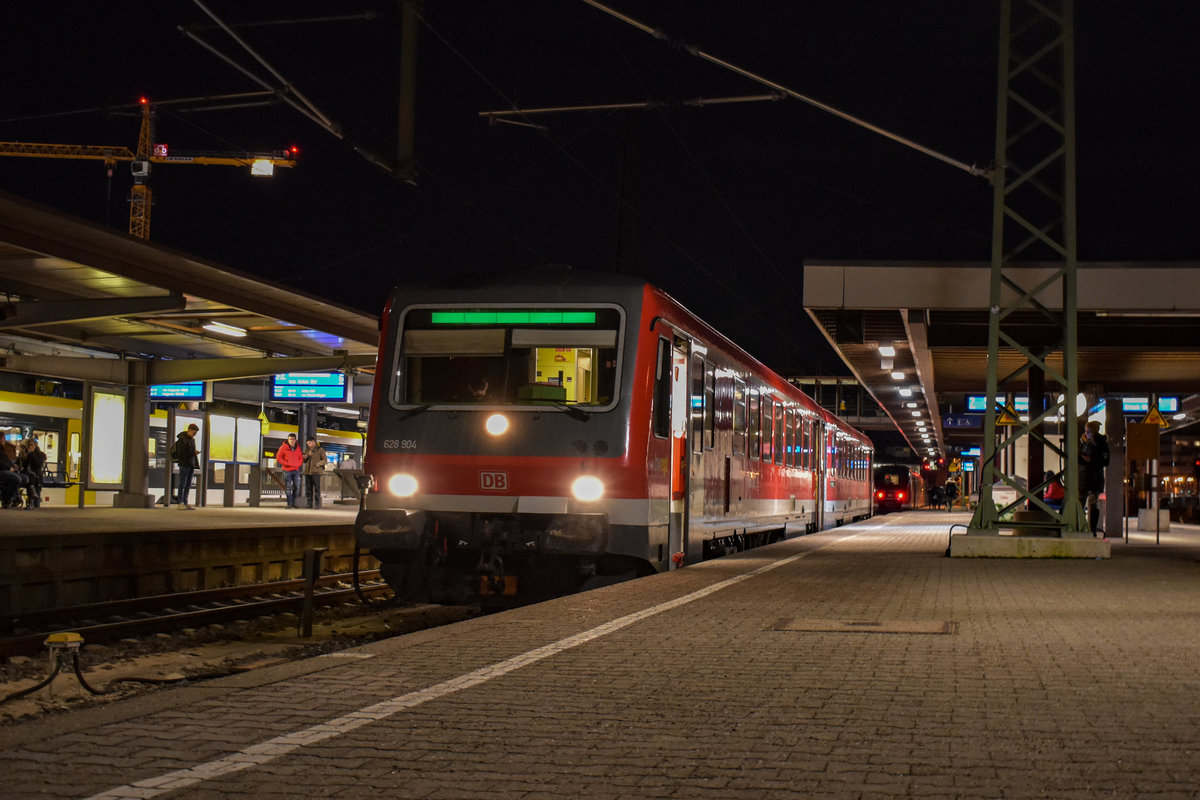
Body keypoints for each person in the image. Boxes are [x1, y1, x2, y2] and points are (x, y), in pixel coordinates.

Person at [1079, 420, 1109, 534]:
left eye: (1089, 432)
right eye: (1086, 431)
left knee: (1093, 504)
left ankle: (1092, 529)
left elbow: (1105, 461)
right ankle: (1082, 526)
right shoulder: (1084, 443)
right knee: (1080, 502)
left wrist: (1090, 459)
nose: (1087, 434)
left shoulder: (1101, 444)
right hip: (1083, 478)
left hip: (1094, 478)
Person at [173, 423, 200, 510]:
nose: (195, 434)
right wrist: (193, 452)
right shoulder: (182, 439)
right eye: (194, 432)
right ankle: (180, 502)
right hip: (184, 464)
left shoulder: (192, 440)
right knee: (182, 483)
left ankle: (185, 501)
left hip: (191, 464)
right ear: (190, 430)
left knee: (188, 484)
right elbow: (181, 453)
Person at [277, 433, 305, 509]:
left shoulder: (298, 448)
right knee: (288, 487)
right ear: (288, 440)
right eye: (290, 439)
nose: (291, 441)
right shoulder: (283, 447)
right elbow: (279, 458)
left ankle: (294, 503)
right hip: (287, 470)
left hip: (296, 470)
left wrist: (297, 464)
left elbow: (300, 458)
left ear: (295, 440)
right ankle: (289, 503)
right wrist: (287, 464)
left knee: (297, 487)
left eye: (293, 439)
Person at [19, 438, 46, 509]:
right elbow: (21, 464)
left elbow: (37, 464)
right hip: (27, 475)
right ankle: (31, 499)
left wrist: (31, 454)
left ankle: (32, 501)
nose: (30, 447)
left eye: (31, 445)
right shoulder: (23, 454)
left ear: (35, 445)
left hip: (36, 477)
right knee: (29, 478)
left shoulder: (40, 455)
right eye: (29, 445)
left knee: (31, 478)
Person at [302, 436, 327, 509]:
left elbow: (325, 460)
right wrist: (305, 457)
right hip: (308, 472)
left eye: (309, 443)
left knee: (316, 488)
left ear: (313, 442)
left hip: (316, 472)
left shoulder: (320, 450)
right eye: (307, 443)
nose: (308, 445)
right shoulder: (307, 450)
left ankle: (317, 504)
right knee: (308, 489)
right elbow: (305, 461)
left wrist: (317, 464)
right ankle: (309, 504)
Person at [0, 440, 24, 509]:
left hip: (7, 470)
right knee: (17, 478)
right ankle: (9, 498)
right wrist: (9, 468)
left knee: (25, 478)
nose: (4, 441)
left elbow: (6, 460)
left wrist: (13, 465)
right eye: (3, 438)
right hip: (2, 471)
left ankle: (12, 496)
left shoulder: (2, 451)